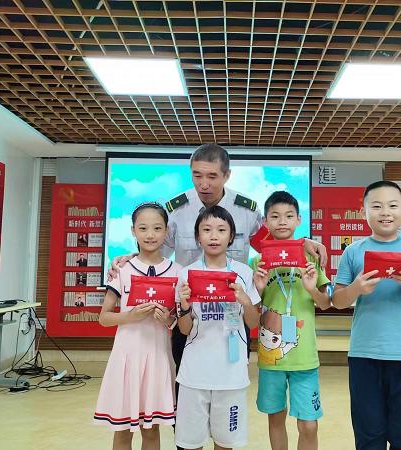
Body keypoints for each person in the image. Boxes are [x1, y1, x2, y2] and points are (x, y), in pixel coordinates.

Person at [108, 144, 327, 450]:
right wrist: (129, 257)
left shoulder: (246, 211)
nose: (204, 184)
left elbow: (275, 240)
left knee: (228, 400)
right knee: (187, 398)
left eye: (212, 176)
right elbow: (154, 246)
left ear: (227, 175)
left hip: (232, 322)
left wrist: (303, 243)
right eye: (197, 175)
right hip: (189, 315)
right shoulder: (177, 210)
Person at [332, 180, 401, 450]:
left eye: (393, 205)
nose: (385, 212)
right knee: (368, 438)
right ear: (364, 212)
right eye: (377, 206)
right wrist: (356, 288)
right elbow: (337, 301)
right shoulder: (353, 251)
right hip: (365, 356)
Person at [94, 202, 181, 450]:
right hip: (126, 359)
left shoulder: (177, 271)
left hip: (158, 357)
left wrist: (168, 320)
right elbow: (103, 317)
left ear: (166, 231)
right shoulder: (122, 270)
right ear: (133, 230)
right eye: (143, 228)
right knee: (122, 431)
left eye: (157, 228)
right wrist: (129, 316)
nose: (150, 235)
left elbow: (177, 320)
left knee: (152, 430)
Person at [175, 205, 260, 450]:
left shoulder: (243, 273)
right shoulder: (187, 274)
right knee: (191, 444)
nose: (214, 236)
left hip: (231, 374)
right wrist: (185, 307)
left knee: (225, 444)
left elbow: (253, 323)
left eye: (221, 230)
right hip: (194, 373)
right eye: (207, 230)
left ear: (231, 236)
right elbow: (184, 329)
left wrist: (246, 301)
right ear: (197, 236)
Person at [252, 191, 331, 450]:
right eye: (275, 216)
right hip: (271, 356)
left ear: (298, 220)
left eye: (288, 216)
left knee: (309, 425)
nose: (282, 221)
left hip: (304, 356)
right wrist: (258, 289)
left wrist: (311, 288)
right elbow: (251, 310)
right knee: (276, 418)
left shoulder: (311, 258)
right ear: (265, 222)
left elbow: (325, 303)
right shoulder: (257, 262)